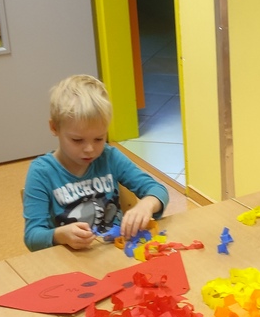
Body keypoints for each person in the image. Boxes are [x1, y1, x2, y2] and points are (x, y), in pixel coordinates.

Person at [23, 74, 170, 251]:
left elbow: (157, 190)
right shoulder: (41, 172)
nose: (90, 149)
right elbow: (32, 237)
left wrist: (147, 205)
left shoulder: (109, 157)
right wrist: (59, 235)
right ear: (54, 128)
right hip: (71, 258)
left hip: (115, 253)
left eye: (99, 139)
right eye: (77, 140)